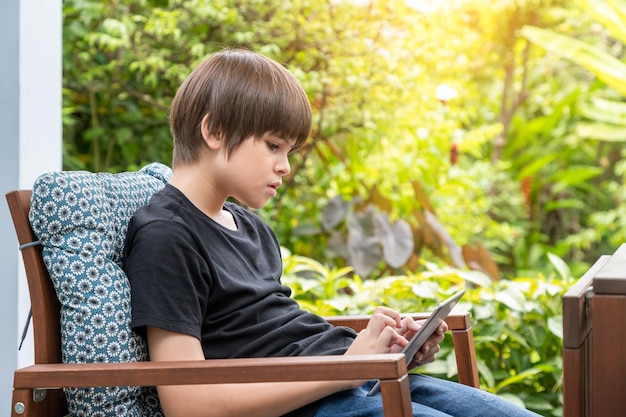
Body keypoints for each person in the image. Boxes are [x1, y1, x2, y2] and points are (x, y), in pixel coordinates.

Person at [123, 48, 540, 417]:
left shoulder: (250, 227)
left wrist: (383, 350)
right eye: (273, 146)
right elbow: (188, 405)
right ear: (213, 132)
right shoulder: (166, 236)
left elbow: (277, 337)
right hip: (319, 401)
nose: (285, 166)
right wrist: (347, 368)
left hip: (353, 381)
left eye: (289, 151)